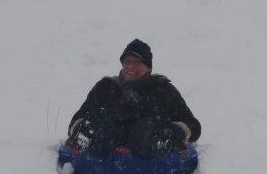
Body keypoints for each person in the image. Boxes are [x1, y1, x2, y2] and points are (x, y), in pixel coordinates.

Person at [66, 39, 201, 159]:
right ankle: (89, 139)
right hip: (106, 143)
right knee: (107, 128)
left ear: (148, 68)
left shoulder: (163, 90)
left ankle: (162, 141)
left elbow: (194, 127)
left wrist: (177, 130)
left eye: (137, 62)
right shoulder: (106, 88)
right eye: (127, 61)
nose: (130, 66)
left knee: (144, 131)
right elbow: (75, 121)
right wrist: (81, 128)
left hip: (148, 144)